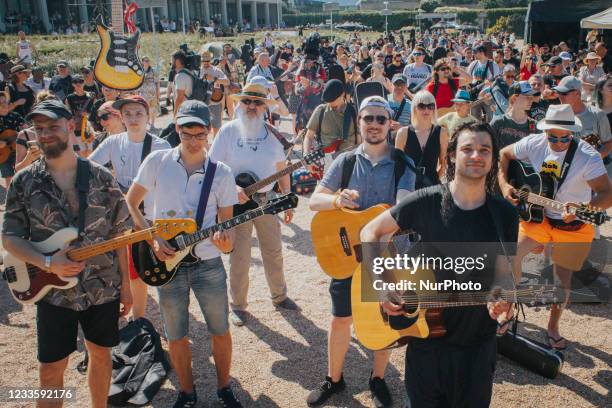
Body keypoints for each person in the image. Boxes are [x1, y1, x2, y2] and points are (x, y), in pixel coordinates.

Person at [361, 122, 517, 408]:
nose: (476, 155)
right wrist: (381, 286)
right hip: (425, 347)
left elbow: (504, 273)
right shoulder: (426, 201)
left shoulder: (504, 215)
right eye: (467, 148)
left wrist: (503, 299)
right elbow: (370, 232)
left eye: (485, 149)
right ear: (453, 155)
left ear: (493, 158)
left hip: (477, 349)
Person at [2, 99, 132, 408]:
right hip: (52, 294)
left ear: (70, 127)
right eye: (39, 128)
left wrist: (126, 285)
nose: (45, 134)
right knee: (50, 370)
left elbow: (119, 237)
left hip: (101, 287)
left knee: (101, 355)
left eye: (53, 127)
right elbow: (9, 238)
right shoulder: (24, 182)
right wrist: (48, 262)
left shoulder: (101, 178)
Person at [125, 101, 242, 408]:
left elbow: (226, 230)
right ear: (176, 129)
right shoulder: (157, 161)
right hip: (166, 264)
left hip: (208, 265)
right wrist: (151, 237)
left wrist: (224, 241)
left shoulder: (222, 173)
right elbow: (131, 202)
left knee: (221, 330)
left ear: (209, 132)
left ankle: (225, 388)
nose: (192, 140)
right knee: (176, 335)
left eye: (199, 133)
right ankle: (187, 394)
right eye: (186, 132)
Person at [307, 95, 415, 408]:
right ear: (360, 122)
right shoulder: (345, 161)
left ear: (390, 125)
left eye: (381, 119)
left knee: (386, 318)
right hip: (347, 258)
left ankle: (378, 378)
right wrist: (337, 201)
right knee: (341, 320)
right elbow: (315, 200)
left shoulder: (402, 165)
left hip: (385, 256)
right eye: (368, 118)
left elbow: (401, 212)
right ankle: (334, 379)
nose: (375, 125)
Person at [498, 104, 612, 350]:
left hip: (573, 225)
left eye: (565, 137)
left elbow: (607, 194)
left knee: (562, 281)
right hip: (539, 218)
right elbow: (504, 155)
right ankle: (507, 309)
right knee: (510, 257)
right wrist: (505, 185)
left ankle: (553, 326)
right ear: (545, 131)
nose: (560, 142)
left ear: (573, 133)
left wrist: (586, 207)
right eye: (554, 137)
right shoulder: (533, 143)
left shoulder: (587, 156)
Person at [209, 83, 297, 327]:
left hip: (266, 202)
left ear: (264, 107)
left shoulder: (273, 135)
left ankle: (280, 296)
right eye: (247, 101)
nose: (251, 106)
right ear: (239, 104)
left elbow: (282, 170)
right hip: (235, 205)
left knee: (273, 251)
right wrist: (231, 188)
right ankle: (238, 305)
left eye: (257, 102)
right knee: (240, 257)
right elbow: (212, 168)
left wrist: (287, 199)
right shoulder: (227, 132)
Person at [89, 95, 171, 320]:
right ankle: (138, 320)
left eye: (138, 113)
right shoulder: (113, 142)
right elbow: (87, 169)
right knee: (131, 271)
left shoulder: (161, 146)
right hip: (122, 218)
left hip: (153, 217)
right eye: (128, 114)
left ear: (148, 117)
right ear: (121, 118)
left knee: (162, 269)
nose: (133, 119)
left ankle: (152, 320)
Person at [395, 90, 448, 190]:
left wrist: (433, 179)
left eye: (430, 106)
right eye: (421, 106)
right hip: (408, 188)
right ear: (414, 108)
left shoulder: (442, 133)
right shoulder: (403, 133)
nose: (426, 110)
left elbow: (443, 163)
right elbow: (398, 166)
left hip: (432, 187)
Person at [303, 79, 360, 163]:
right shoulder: (320, 110)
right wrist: (306, 154)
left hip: (349, 160)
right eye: (328, 101)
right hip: (325, 160)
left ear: (342, 94)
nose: (330, 104)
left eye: (333, 100)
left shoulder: (355, 112)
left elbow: (360, 142)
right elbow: (309, 136)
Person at [555, 76, 612, 159]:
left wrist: (596, 158)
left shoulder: (598, 115)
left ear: (577, 94)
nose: (560, 96)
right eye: (558, 92)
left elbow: (608, 143)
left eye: (564, 93)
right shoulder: (556, 115)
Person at [490, 81, 538, 149]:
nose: (531, 100)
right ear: (514, 98)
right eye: (527, 96)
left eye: (531, 97)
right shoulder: (498, 122)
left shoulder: (534, 126)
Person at [200, 51, 229, 137]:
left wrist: (214, 79)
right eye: (204, 61)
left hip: (215, 102)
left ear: (211, 60)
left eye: (207, 61)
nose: (206, 63)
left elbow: (227, 82)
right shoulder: (197, 71)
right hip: (201, 103)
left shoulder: (216, 70)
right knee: (202, 128)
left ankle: (215, 146)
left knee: (216, 127)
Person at [0, 92, 26, 187]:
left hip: (18, 149)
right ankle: (10, 199)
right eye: (0, 102)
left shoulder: (15, 116)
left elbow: (26, 128)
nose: (3, 104)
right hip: (2, 154)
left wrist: (26, 128)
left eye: (5, 101)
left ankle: (23, 199)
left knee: (23, 174)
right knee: (8, 177)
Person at [65, 74, 94, 156]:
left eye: (80, 81)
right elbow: (68, 112)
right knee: (82, 152)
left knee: (91, 150)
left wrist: (88, 114)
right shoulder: (69, 98)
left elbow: (96, 110)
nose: (78, 84)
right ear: (72, 84)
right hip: (77, 127)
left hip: (89, 126)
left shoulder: (91, 95)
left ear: (84, 82)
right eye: (75, 81)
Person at [138, 57, 160, 129]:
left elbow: (157, 82)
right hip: (143, 94)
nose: (147, 62)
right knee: (145, 109)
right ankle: (146, 123)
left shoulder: (153, 71)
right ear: (142, 62)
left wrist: (158, 92)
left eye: (148, 60)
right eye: (145, 61)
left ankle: (152, 124)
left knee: (153, 109)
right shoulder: (140, 71)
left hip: (153, 94)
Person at [172, 50, 194, 116]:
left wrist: (175, 115)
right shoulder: (190, 72)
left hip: (184, 111)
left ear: (177, 61)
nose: (171, 62)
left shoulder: (180, 76)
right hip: (192, 109)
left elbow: (180, 98)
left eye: (172, 60)